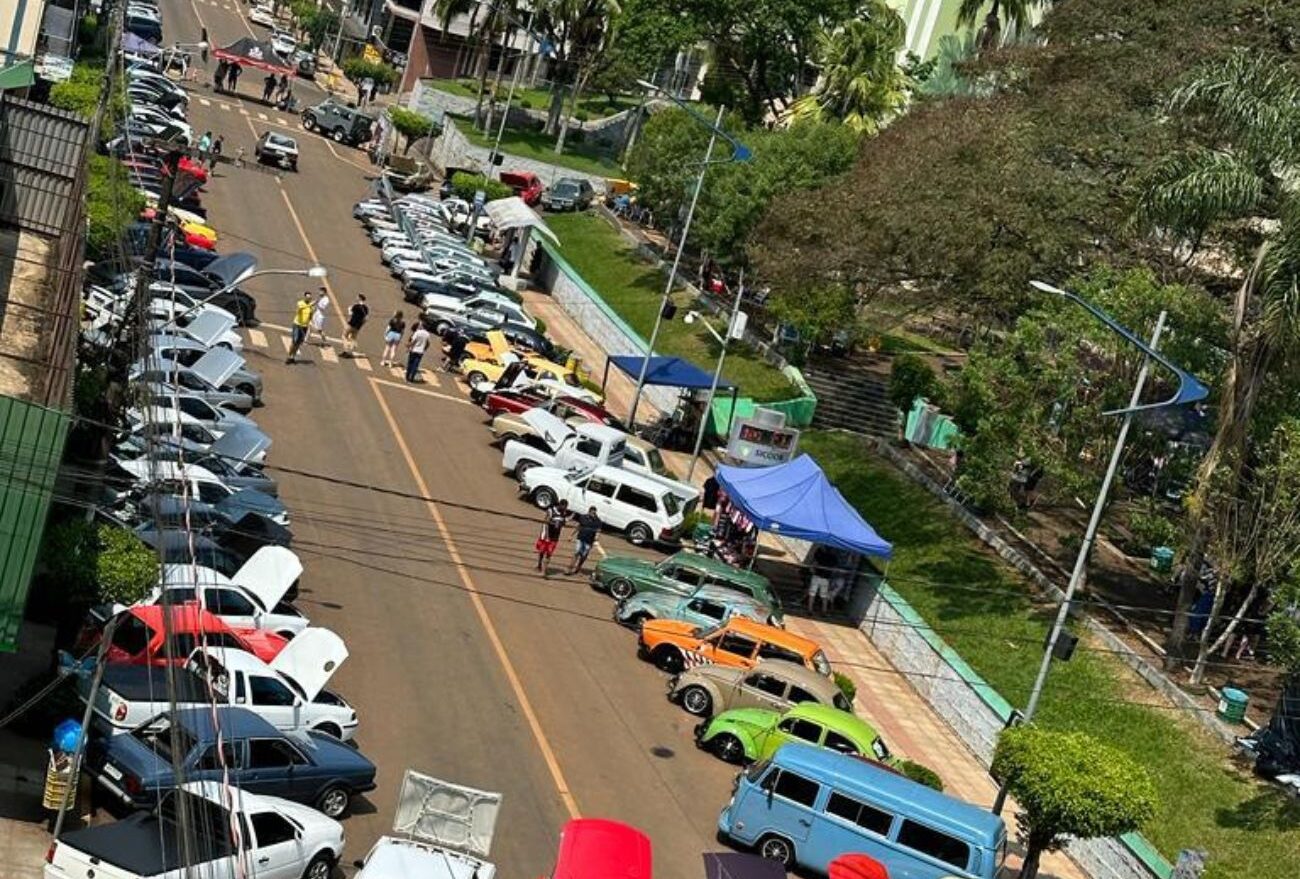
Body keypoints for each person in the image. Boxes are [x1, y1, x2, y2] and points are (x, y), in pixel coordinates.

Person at [535, 499, 569, 577]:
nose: (565, 509)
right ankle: (539, 564)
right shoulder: (551, 511)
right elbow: (546, 522)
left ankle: (544, 571)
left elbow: (563, 523)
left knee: (549, 553)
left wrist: (566, 520)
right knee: (542, 551)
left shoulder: (563, 513)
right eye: (564, 507)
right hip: (547, 536)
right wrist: (546, 535)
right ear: (560, 505)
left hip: (555, 537)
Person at [567, 506, 601, 575]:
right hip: (580, 538)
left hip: (589, 541)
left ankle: (578, 568)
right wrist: (571, 535)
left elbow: (598, 531)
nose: (592, 514)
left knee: (583, 555)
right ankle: (569, 569)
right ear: (589, 511)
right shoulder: (583, 517)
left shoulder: (598, 521)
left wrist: (596, 538)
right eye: (591, 512)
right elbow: (578, 526)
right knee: (576, 553)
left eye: (594, 513)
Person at [285, 291, 314, 363]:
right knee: (294, 341)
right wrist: (309, 305)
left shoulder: (311, 307)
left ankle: (293, 357)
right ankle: (289, 356)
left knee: (299, 342)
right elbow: (298, 310)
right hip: (297, 325)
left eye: (310, 298)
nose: (308, 299)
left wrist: (310, 322)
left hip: (304, 326)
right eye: (307, 297)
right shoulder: (300, 303)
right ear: (304, 297)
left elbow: (310, 316)